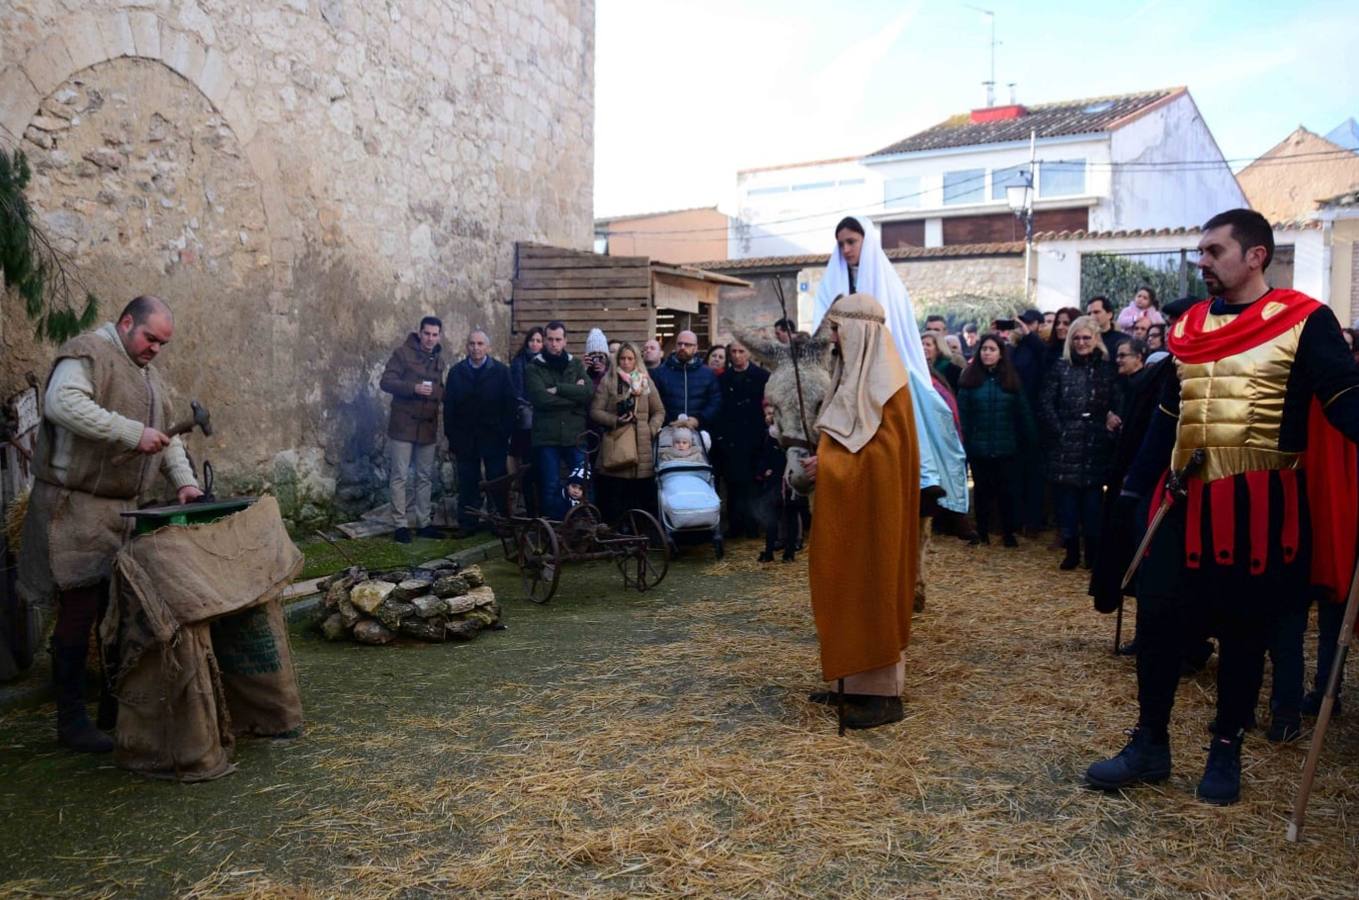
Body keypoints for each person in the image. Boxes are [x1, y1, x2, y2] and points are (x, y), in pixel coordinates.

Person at [1085, 209, 1359, 806]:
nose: (1201, 261)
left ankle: (1225, 749)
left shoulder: (1305, 322)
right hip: (1182, 501)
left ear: (1256, 255)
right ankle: (1149, 745)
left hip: (1260, 505)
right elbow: (1168, 417)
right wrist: (1134, 490)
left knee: (1245, 634)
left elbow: (1345, 403)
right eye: (1200, 251)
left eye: (1214, 250)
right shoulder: (1189, 327)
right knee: (1157, 624)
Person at [18, 295, 203, 753]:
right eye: (150, 338)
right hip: (73, 508)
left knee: (110, 611)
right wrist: (129, 432)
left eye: (163, 343)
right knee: (79, 610)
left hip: (118, 515)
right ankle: (70, 720)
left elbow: (165, 440)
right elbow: (62, 404)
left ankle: (107, 708)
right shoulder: (88, 354)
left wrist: (184, 482)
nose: (156, 349)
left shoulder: (150, 377)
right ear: (125, 323)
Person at [802, 293, 920, 730]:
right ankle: (849, 682)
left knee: (872, 585)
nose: (833, 338)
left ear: (859, 331)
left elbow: (885, 461)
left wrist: (828, 464)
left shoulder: (889, 388)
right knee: (844, 586)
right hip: (850, 514)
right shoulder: (852, 376)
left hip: (875, 520)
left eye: (838, 329)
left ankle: (881, 694)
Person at [812, 215, 969, 522]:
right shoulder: (832, 283)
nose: (845, 249)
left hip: (887, 360)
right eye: (841, 243)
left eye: (851, 241)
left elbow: (895, 328)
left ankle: (926, 478)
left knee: (912, 401)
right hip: (844, 364)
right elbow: (823, 323)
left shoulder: (888, 280)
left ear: (865, 241)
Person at [1040, 314, 1115, 570]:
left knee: (1093, 504)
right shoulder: (1060, 367)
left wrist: (1109, 423)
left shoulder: (1106, 368)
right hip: (1066, 443)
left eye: (1086, 338)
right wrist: (1060, 430)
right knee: (1068, 504)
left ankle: (1092, 554)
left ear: (1096, 339)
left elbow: (1116, 401)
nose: (1082, 342)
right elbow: (1046, 402)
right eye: (1077, 338)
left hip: (1095, 443)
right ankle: (1071, 552)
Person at [957, 333, 1036, 547]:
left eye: (992, 349)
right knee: (982, 491)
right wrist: (965, 442)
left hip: (1006, 446)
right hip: (979, 447)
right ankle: (982, 532)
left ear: (1001, 354)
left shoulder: (1010, 380)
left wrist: (1030, 440)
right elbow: (962, 414)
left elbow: (1023, 412)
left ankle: (1008, 532)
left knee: (1007, 492)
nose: (987, 353)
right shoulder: (970, 379)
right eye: (984, 349)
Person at [380, 315, 445, 542]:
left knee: (424, 476)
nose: (430, 338)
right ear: (419, 333)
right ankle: (400, 524)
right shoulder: (402, 354)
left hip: (427, 426)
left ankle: (423, 522)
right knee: (399, 476)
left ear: (439, 336)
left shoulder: (438, 359)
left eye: (434, 335)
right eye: (426, 333)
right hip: (404, 424)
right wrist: (414, 387)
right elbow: (386, 382)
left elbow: (440, 389)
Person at [443, 329, 515, 533]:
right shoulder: (457, 372)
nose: (476, 348)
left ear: (488, 347)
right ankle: (467, 523)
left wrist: (504, 431)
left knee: (497, 481)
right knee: (467, 482)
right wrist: (452, 437)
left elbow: (510, 404)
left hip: (494, 437)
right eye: (472, 344)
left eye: (480, 344)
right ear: (467, 347)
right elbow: (449, 407)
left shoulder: (501, 371)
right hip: (465, 438)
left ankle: (499, 522)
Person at [590, 341, 665, 522]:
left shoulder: (646, 382)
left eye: (630, 358)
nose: (625, 362)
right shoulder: (608, 382)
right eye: (622, 358)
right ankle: (615, 537)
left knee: (640, 497)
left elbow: (659, 411)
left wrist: (650, 429)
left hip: (641, 447)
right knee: (613, 497)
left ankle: (639, 537)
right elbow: (595, 411)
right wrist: (615, 420)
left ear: (636, 360)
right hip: (617, 446)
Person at [525, 320, 592, 519]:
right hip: (548, 438)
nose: (554, 344)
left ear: (565, 341)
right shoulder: (533, 367)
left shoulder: (576, 364)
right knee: (551, 484)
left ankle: (583, 522)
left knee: (583, 481)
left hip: (575, 435)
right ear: (545, 340)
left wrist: (559, 389)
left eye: (558, 339)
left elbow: (588, 392)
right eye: (551, 339)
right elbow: (541, 399)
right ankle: (554, 528)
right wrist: (574, 396)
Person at [715, 339, 770, 539]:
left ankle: (753, 524)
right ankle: (735, 524)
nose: (737, 355)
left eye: (741, 351)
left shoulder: (762, 377)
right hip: (731, 437)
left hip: (754, 436)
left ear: (748, 353)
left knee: (753, 483)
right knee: (733, 484)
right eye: (734, 351)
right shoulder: (723, 379)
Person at [651, 330, 721, 433]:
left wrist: (698, 420)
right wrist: (670, 422)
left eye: (687, 344)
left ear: (695, 348)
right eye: (679, 344)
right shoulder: (660, 373)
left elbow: (715, 402)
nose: (682, 347)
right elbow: (655, 402)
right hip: (668, 431)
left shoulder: (707, 374)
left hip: (699, 431)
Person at [509, 327, 545, 514]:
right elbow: (517, 393)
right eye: (532, 340)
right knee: (528, 469)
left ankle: (542, 510)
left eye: (539, 341)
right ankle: (530, 510)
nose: (535, 344)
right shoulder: (518, 363)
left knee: (543, 469)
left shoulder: (547, 363)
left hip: (545, 425)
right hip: (526, 425)